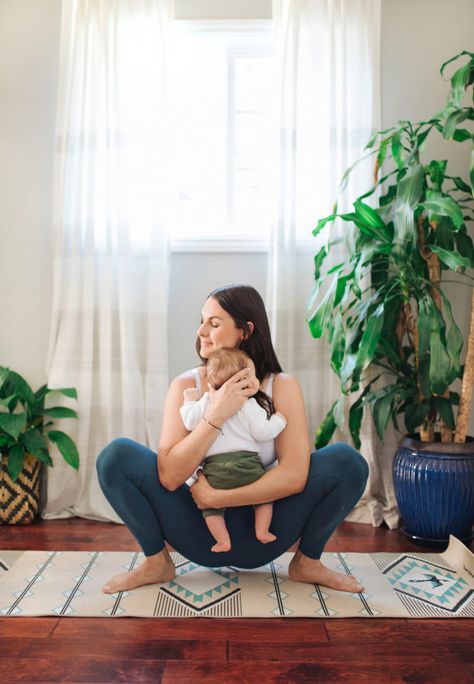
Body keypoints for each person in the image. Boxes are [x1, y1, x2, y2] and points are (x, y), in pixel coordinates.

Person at [96, 283, 369, 595]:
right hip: (202, 530)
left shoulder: (281, 385)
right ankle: (157, 562)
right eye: (201, 321)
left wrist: (217, 498)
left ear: (245, 331)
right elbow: (170, 477)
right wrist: (217, 412)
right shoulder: (186, 385)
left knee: (348, 463)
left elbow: (294, 476)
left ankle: (307, 562)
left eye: (214, 323)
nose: (201, 331)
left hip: (264, 528)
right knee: (115, 457)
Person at [180, 347, 287, 552]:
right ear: (244, 381)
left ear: (211, 383)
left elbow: (189, 421)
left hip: (215, 472)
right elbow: (264, 432)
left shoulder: (206, 402)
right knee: (265, 497)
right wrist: (279, 420)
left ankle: (223, 541)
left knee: (211, 509)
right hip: (248, 467)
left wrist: (189, 401)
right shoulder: (248, 404)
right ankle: (262, 530)